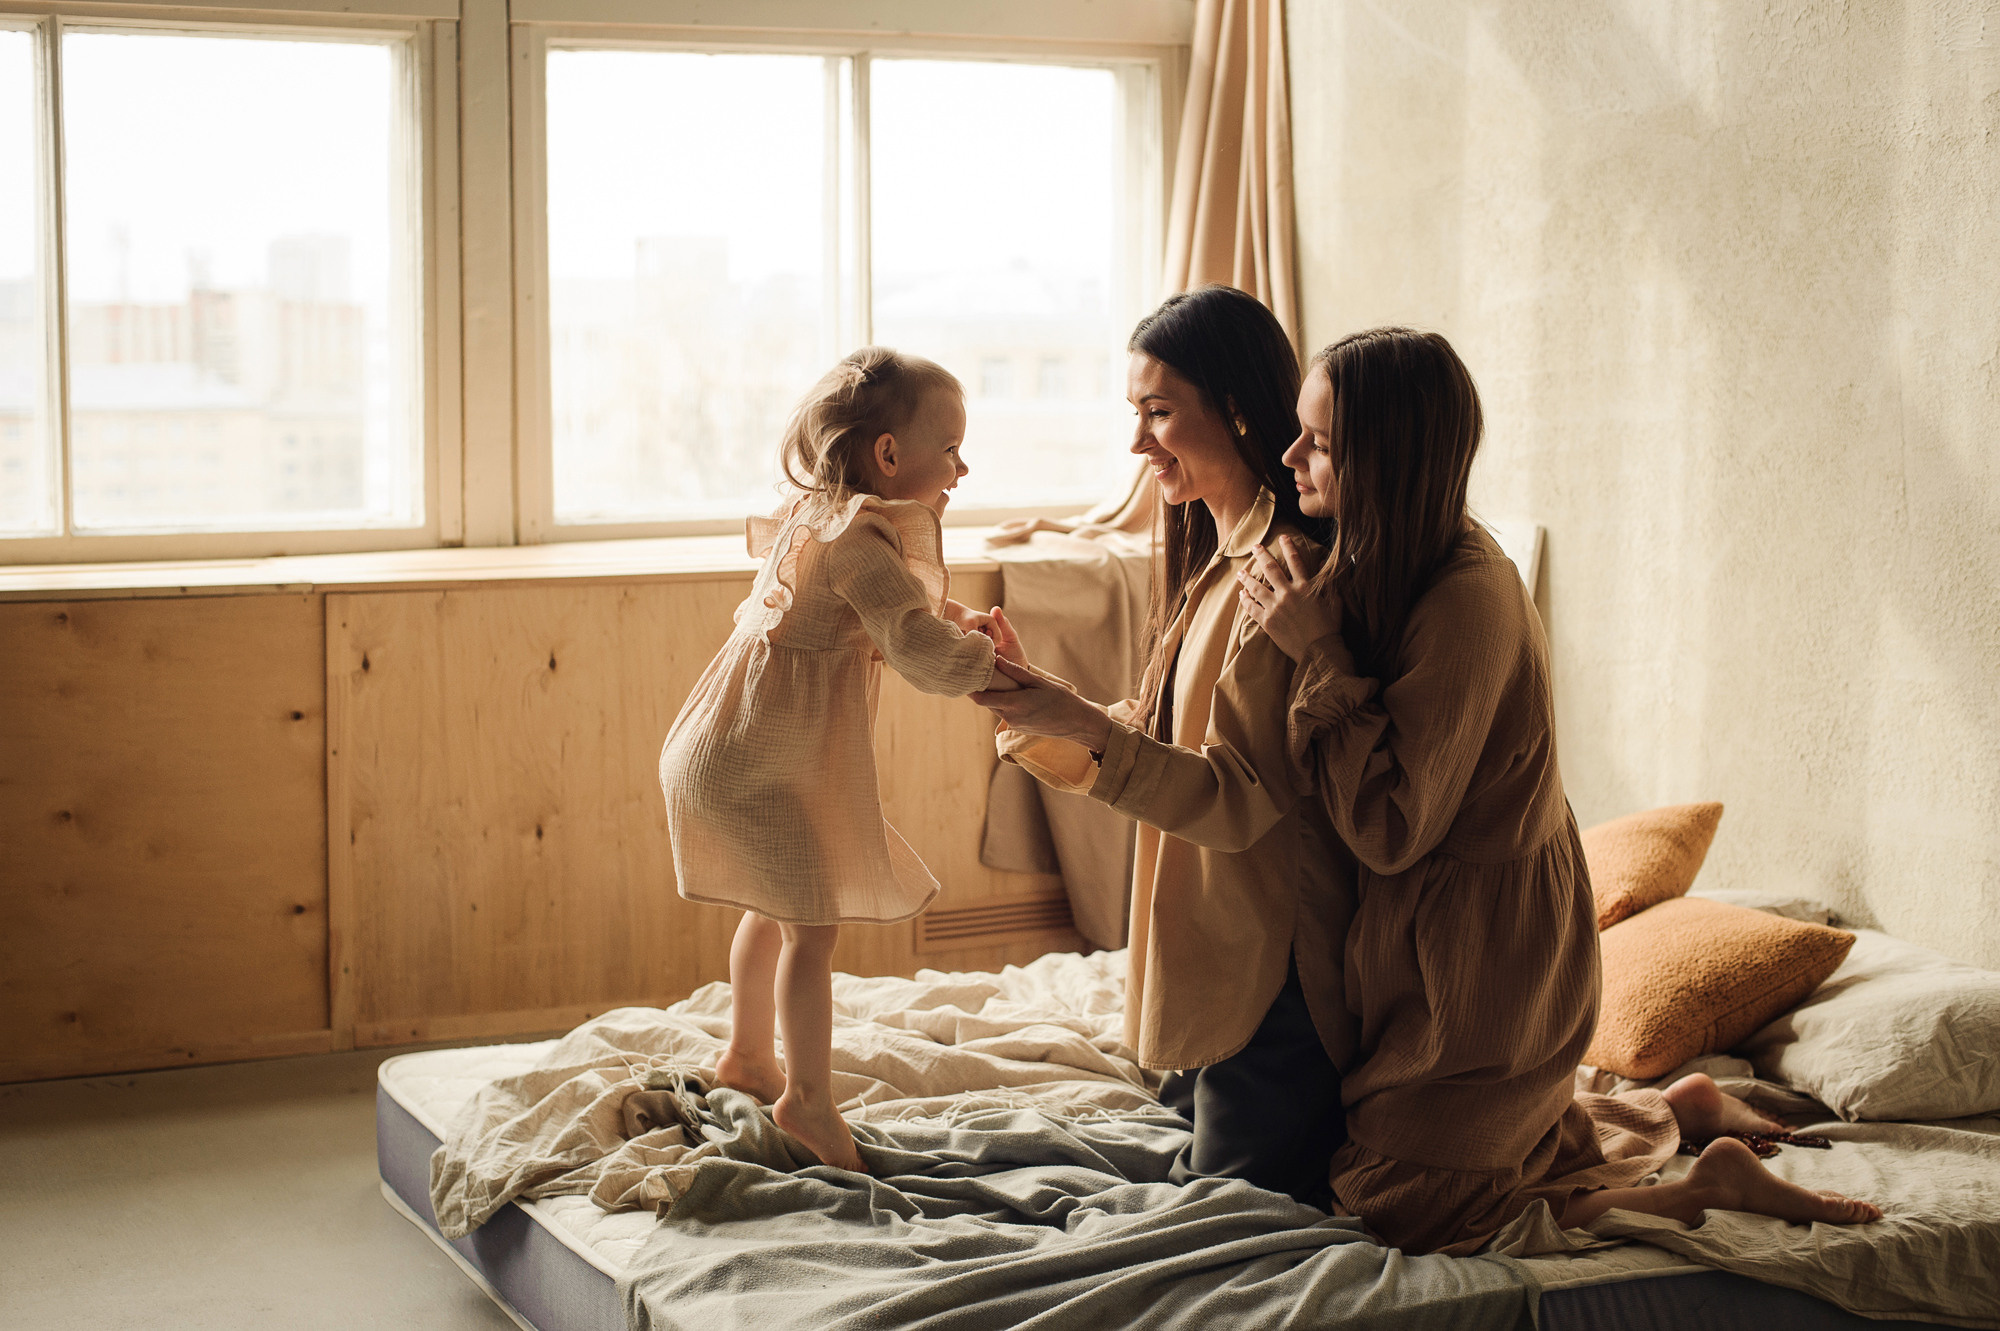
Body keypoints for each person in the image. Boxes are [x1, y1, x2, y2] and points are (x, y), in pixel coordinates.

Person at [1235, 326, 1881, 1252]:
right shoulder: (1406, 561)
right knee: (1451, 1153)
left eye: (1322, 442)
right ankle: (1674, 1106)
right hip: (1446, 927)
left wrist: (1322, 655)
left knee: (1397, 1203)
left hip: (1490, 950)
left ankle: (1700, 1187)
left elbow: (1391, 827)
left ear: (1387, 455)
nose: (1293, 455)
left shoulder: (1465, 596)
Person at [972, 285, 1355, 1206]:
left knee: (1212, 1212)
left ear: (1232, 408)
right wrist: (1044, 700)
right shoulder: (1220, 556)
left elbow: (1233, 797)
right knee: (1136, 1168)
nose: (1138, 444)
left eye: (1157, 413)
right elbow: (1157, 730)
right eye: (1133, 414)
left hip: (1274, 973)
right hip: (1205, 949)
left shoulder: (1283, 577)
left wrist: (1079, 724)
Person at [659, 347, 1019, 1174]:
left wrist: (951, 617)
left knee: (774, 903)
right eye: (952, 448)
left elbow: (881, 608)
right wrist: (984, 665)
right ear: (890, 454)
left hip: (720, 749)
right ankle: (808, 1101)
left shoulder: (820, 513)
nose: (964, 466)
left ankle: (749, 1057)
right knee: (811, 926)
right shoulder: (860, 540)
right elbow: (911, 641)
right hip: (750, 758)